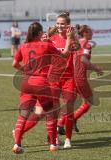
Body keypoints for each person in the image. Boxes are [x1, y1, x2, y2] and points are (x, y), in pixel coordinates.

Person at [12, 22, 74, 154]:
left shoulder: (23, 46)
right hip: (41, 83)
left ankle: (17, 144)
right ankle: (53, 144)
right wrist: (69, 37)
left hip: (26, 83)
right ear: (40, 33)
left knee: (23, 115)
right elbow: (65, 54)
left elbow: (14, 64)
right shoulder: (46, 45)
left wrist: (26, 70)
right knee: (51, 113)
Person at [58, 25, 103, 133]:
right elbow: (83, 59)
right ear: (86, 32)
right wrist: (96, 68)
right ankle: (71, 120)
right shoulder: (86, 45)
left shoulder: (75, 42)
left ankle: (60, 123)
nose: (93, 33)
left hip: (71, 76)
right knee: (88, 102)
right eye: (91, 31)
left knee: (72, 102)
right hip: (80, 78)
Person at [47, 12, 78, 149]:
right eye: (58, 23)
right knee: (53, 110)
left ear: (68, 26)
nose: (59, 26)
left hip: (68, 78)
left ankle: (68, 139)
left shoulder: (73, 39)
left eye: (62, 24)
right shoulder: (50, 38)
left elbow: (77, 48)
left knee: (68, 109)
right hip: (53, 77)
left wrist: (71, 37)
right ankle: (53, 138)